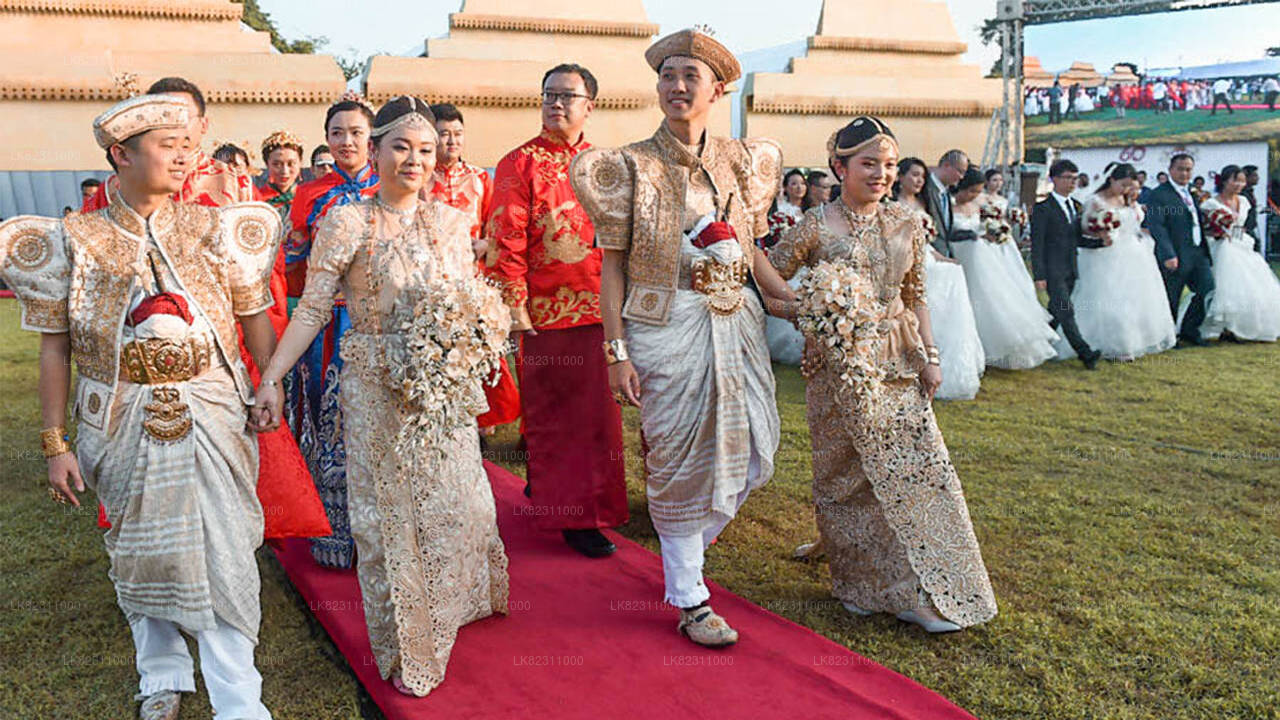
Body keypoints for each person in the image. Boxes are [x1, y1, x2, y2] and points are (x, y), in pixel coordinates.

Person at [1, 94, 279, 720]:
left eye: (187, 146)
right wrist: (54, 442)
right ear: (120, 156)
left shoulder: (212, 227)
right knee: (142, 549)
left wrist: (273, 381)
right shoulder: (78, 239)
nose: (184, 157)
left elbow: (252, 311)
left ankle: (240, 702)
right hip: (119, 419)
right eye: (166, 146)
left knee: (225, 549)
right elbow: (56, 349)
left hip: (212, 408)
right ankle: (161, 675)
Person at [257, 96, 510, 698]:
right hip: (374, 381)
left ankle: (458, 602)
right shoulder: (347, 221)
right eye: (401, 147)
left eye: (425, 150)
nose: (415, 160)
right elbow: (314, 308)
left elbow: (461, 299)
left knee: (457, 498)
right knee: (389, 516)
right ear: (376, 152)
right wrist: (270, 376)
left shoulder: (450, 222)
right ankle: (411, 640)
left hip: (440, 384)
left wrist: (475, 340)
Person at [572, 28, 792, 646]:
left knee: (754, 449)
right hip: (661, 325)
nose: (676, 86)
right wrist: (616, 352)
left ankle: (690, 534)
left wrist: (794, 304)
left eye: (689, 76)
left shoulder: (740, 162)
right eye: (667, 75)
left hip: (736, 320)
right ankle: (691, 595)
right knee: (675, 458)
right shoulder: (629, 166)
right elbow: (611, 265)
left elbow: (750, 250)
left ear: (717, 89)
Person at [770, 117, 997, 633]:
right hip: (838, 367)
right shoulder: (813, 225)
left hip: (898, 358)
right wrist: (815, 315)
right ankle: (861, 587)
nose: (881, 174)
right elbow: (769, 285)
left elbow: (916, 295)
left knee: (918, 469)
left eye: (889, 165)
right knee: (846, 476)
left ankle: (929, 583)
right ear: (839, 167)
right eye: (869, 164)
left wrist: (931, 355)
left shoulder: (905, 222)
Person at [487, 63, 628, 558]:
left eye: (569, 96)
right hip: (546, 314)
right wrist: (515, 306)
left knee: (598, 420)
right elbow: (506, 239)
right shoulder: (518, 164)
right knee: (554, 417)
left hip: (602, 308)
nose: (557, 103)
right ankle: (573, 516)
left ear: (591, 104)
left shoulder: (607, 165)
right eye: (549, 94)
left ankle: (578, 500)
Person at [285, 94, 380, 568]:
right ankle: (333, 531)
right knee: (330, 417)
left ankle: (384, 530)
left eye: (356, 132)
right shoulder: (309, 193)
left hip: (379, 321)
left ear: (372, 137)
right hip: (327, 323)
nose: (346, 141)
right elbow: (292, 259)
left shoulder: (391, 183)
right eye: (337, 133)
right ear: (326, 139)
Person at [425, 102, 521, 433]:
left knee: (480, 350)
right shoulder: (422, 178)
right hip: (433, 282)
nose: (451, 141)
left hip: (475, 281)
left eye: (457, 134)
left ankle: (484, 420)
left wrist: (484, 245)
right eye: (443, 134)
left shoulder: (480, 178)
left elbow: (499, 225)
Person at [83, 77, 254, 212]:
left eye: (183, 117)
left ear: (204, 124)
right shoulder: (114, 188)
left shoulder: (235, 182)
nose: (175, 125)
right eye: (164, 118)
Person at [894, 156, 984, 400]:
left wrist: (941, 257)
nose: (918, 180)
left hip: (925, 255)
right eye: (913, 175)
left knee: (953, 273)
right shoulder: (891, 204)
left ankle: (946, 358)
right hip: (902, 259)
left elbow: (926, 242)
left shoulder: (923, 203)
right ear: (900, 176)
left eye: (922, 176)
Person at [951, 168, 1058, 369]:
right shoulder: (948, 205)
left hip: (979, 255)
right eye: (972, 191)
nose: (975, 196)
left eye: (977, 192)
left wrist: (994, 231)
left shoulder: (979, 205)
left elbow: (985, 224)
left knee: (990, 296)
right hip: (960, 253)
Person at [1072, 163, 1176, 359]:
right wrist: (1102, 233)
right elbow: (1086, 228)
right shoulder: (1096, 201)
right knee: (1110, 297)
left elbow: (1135, 222)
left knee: (1135, 298)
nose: (1126, 189)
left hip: (1134, 252)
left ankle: (1137, 338)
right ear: (1111, 180)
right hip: (1108, 254)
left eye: (1130, 185)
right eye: (1123, 184)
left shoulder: (1128, 199)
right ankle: (1111, 342)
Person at [1190, 165, 1280, 341]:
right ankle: (1221, 326)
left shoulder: (1244, 201)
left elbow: (1246, 223)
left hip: (1241, 244)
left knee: (1250, 283)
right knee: (1222, 286)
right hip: (1221, 247)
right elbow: (1206, 229)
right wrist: (1218, 232)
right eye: (1235, 180)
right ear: (1224, 181)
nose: (1239, 184)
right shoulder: (1210, 203)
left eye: (1242, 181)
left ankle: (1240, 325)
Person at [1030, 159, 1102, 369]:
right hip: (1052, 270)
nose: (1072, 182)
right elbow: (1037, 243)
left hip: (1070, 267)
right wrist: (1039, 275)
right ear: (1053, 179)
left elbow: (1077, 238)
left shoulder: (1075, 206)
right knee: (1066, 310)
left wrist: (1100, 242)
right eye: (1067, 178)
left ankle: (1037, 341)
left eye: (1075, 178)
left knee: (1056, 313)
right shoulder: (1043, 208)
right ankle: (1085, 353)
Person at [1146, 153, 1215, 346]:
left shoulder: (1191, 193)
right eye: (1180, 169)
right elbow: (1157, 226)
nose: (1185, 173)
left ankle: (1190, 330)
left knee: (1207, 289)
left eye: (1188, 169)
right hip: (1175, 254)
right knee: (1171, 298)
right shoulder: (1159, 194)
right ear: (1170, 170)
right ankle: (1167, 337)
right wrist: (1168, 254)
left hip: (1197, 252)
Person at [925, 148, 969, 256]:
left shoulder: (946, 193)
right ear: (946, 165)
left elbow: (946, 230)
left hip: (945, 255)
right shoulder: (925, 189)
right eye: (960, 171)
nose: (961, 177)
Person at [1242, 164, 1261, 250]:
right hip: (1245, 229)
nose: (1257, 178)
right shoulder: (1242, 193)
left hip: (1251, 227)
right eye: (1254, 175)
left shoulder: (1250, 192)